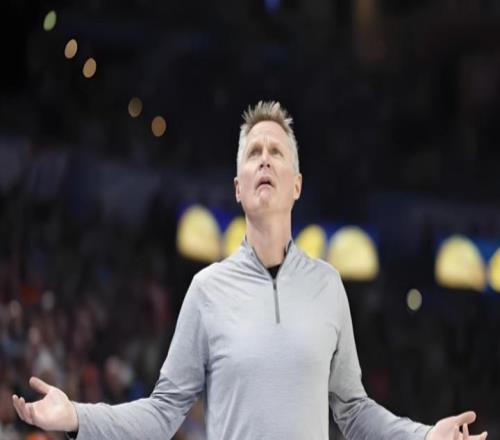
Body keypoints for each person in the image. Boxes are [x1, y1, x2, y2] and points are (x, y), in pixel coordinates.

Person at [12, 101, 488, 440]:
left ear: (296, 185)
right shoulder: (206, 290)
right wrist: (78, 417)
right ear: (238, 187)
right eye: (253, 152)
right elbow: (162, 412)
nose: (264, 158)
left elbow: (354, 411)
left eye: (276, 152)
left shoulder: (327, 286)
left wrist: (425, 436)